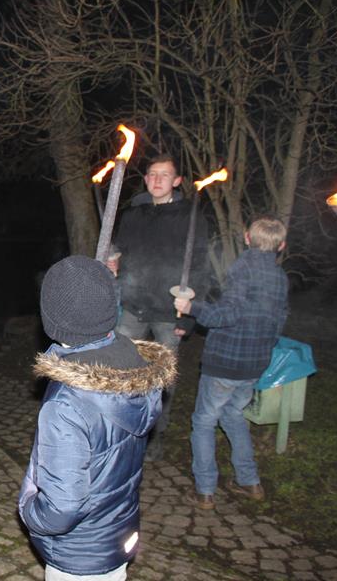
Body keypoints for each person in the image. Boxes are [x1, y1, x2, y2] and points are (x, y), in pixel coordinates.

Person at [19, 255, 176, 581]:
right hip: (117, 532)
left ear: (52, 319)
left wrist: (29, 510)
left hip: (78, 553)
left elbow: (62, 508)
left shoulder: (66, 404)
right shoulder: (133, 364)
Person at [174, 214, 289, 511]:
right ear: (281, 245)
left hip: (226, 362)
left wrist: (191, 307)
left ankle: (205, 491)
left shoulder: (243, 268)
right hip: (255, 363)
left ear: (247, 239)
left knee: (204, 421)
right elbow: (279, 321)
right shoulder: (280, 277)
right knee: (233, 415)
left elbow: (227, 315)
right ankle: (250, 482)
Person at [107, 153, 209, 461]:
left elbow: (199, 267)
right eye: (152, 174)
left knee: (163, 379)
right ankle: (120, 428)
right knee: (121, 370)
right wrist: (114, 260)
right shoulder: (133, 215)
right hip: (133, 306)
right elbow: (120, 250)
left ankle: (155, 435)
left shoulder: (190, 217)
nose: (157, 179)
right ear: (146, 179)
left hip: (169, 312)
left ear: (177, 181)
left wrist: (189, 316)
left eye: (164, 175)